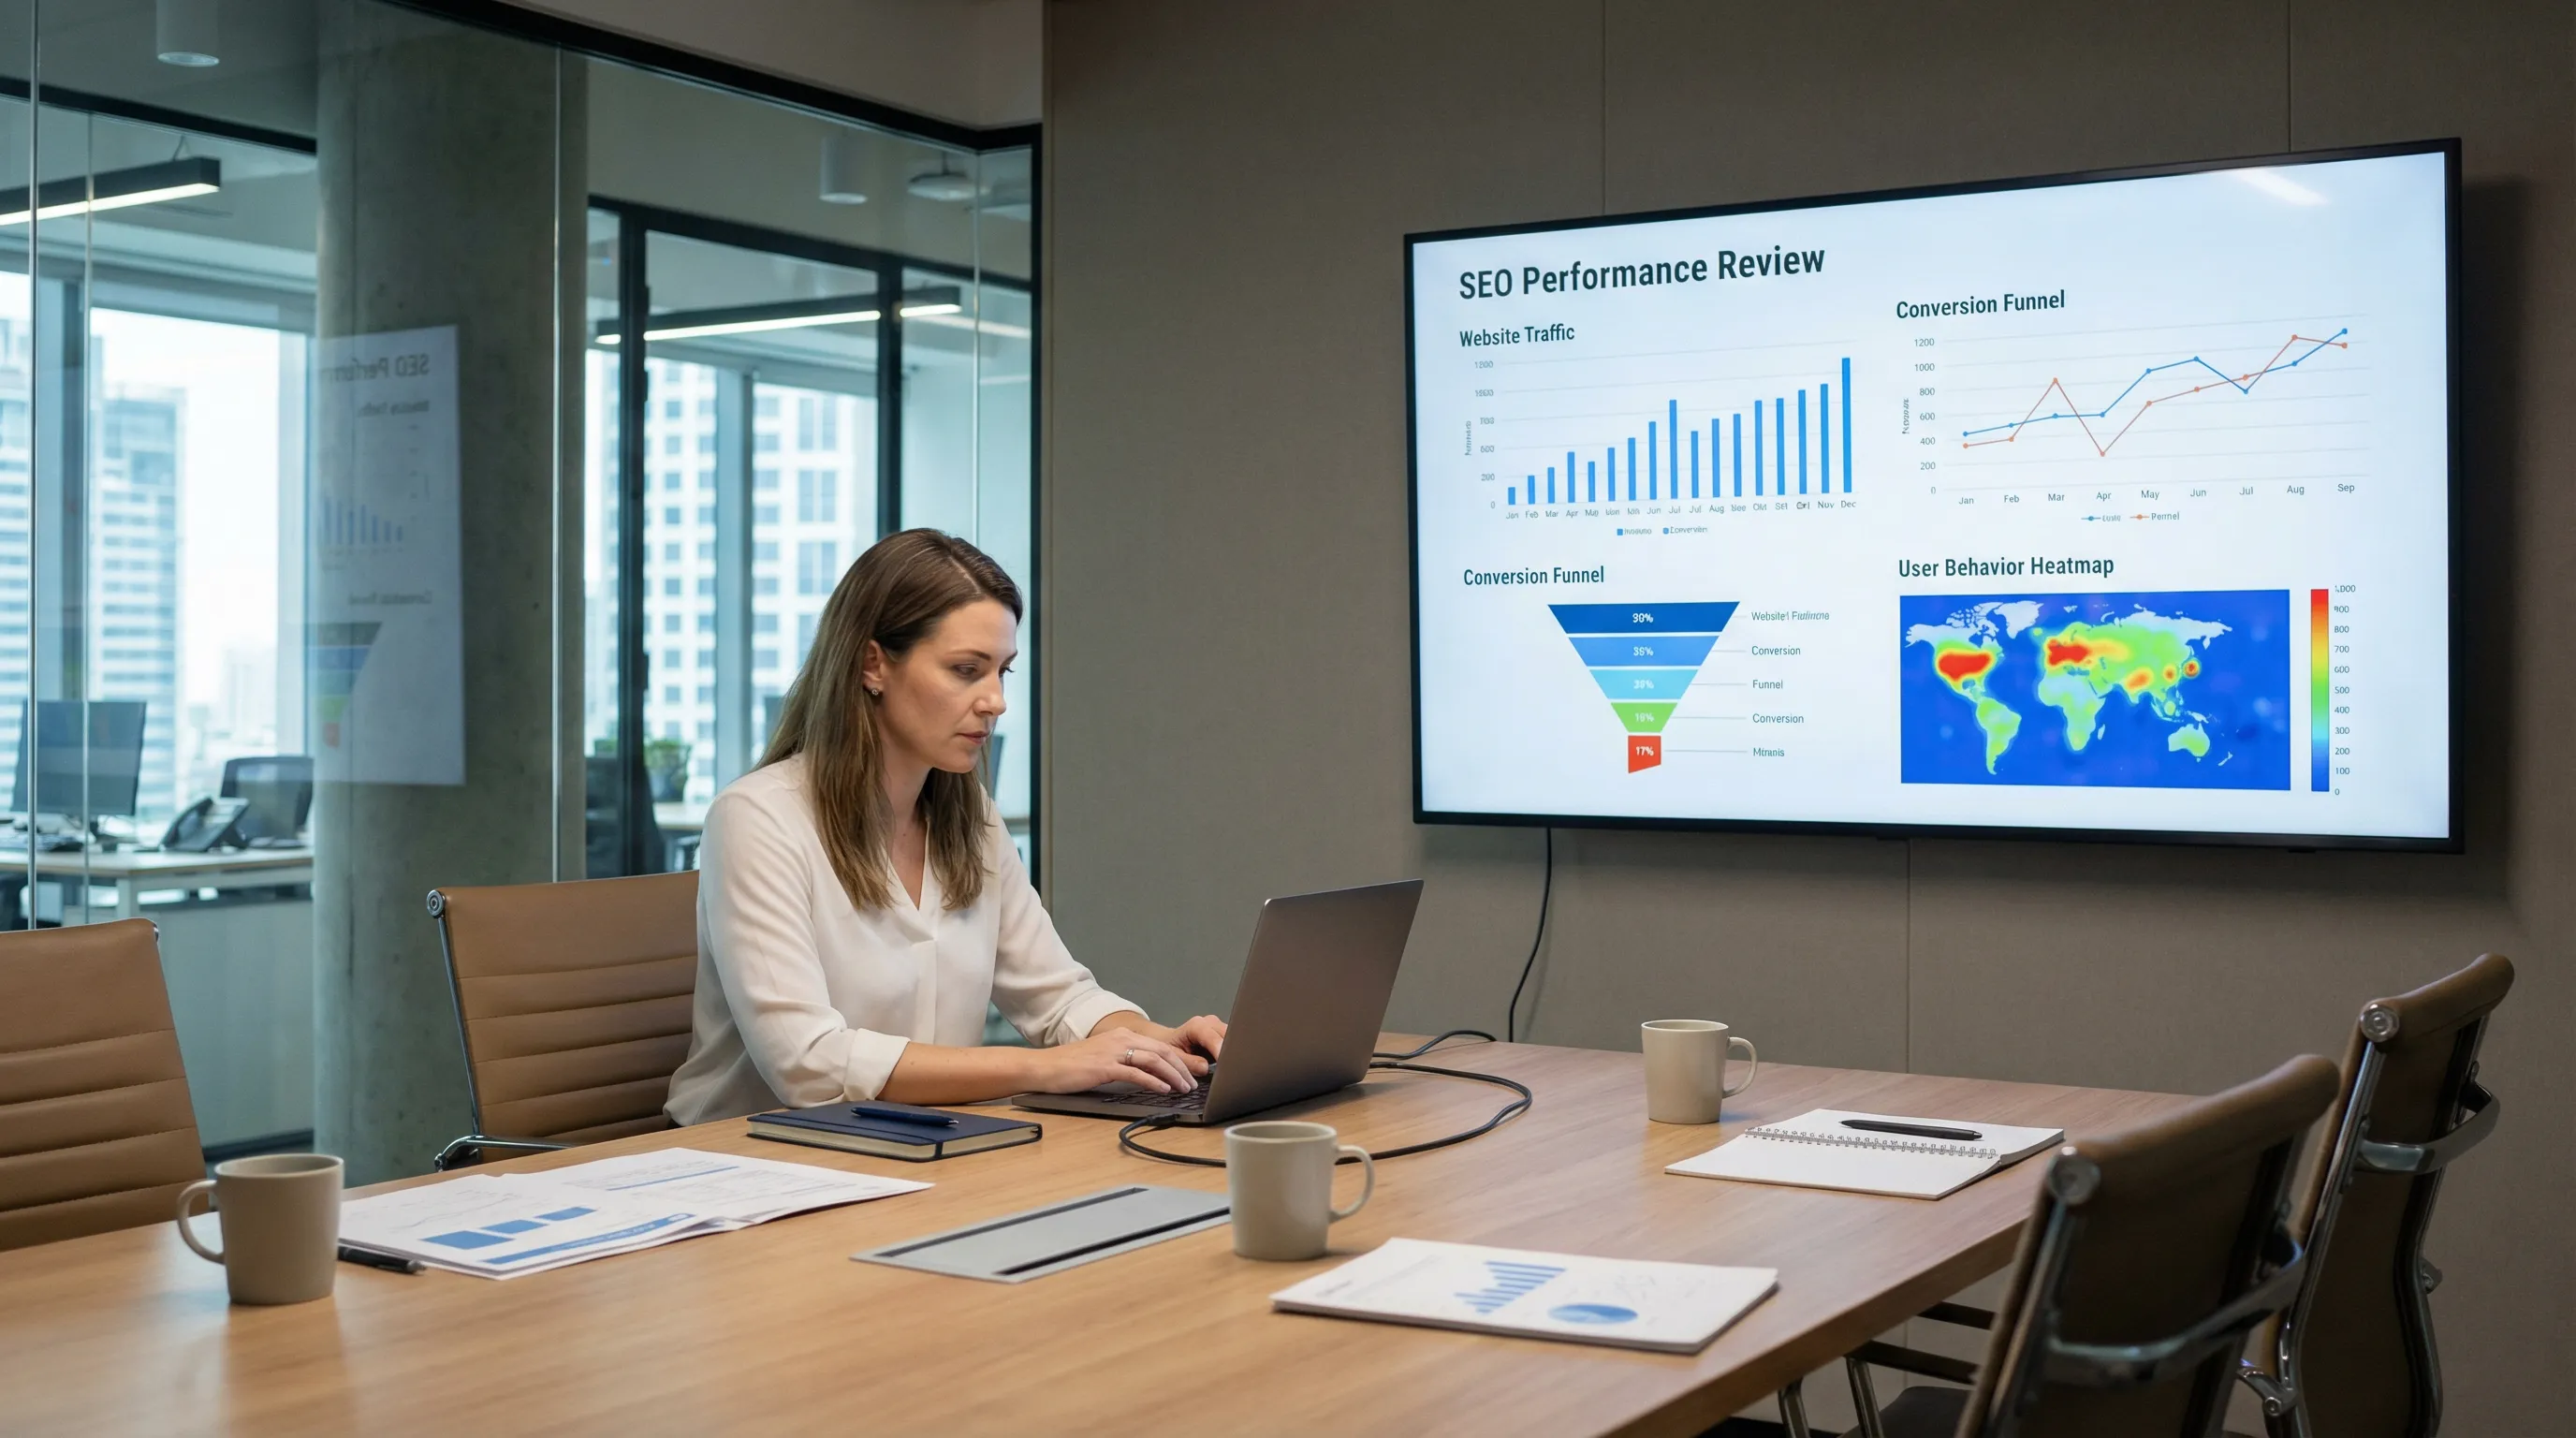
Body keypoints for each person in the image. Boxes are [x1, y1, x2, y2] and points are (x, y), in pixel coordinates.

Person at [665, 529, 1223, 1124]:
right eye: (966, 670)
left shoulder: (970, 816)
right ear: (872, 663)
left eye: (1002, 672)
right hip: (749, 1160)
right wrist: (1045, 1068)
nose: (996, 701)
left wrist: (1158, 1044)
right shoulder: (759, 818)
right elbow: (808, 1063)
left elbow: (1059, 996)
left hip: (918, 1143)